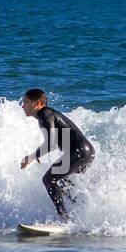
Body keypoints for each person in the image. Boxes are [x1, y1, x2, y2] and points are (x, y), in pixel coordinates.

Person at [19, 88, 95, 219]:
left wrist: (31, 157)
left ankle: (63, 217)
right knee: (65, 184)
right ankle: (84, 212)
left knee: (49, 180)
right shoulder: (46, 115)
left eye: (26, 102)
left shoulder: (45, 115)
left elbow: (51, 143)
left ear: (37, 103)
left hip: (79, 152)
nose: (22, 106)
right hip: (84, 152)